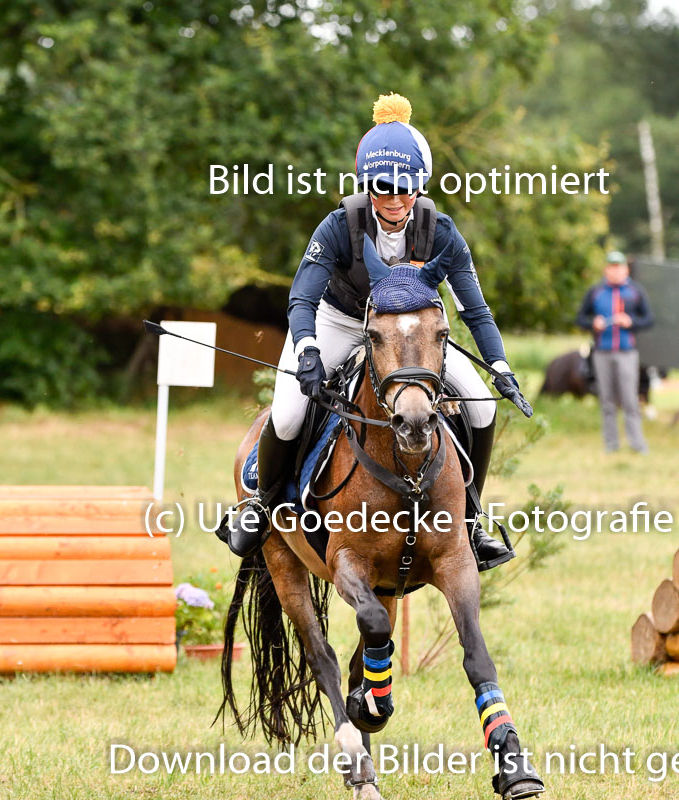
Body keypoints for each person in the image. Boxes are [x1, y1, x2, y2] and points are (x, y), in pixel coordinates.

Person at [227, 93, 532, 565]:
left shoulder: (441, 232)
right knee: (287, 416)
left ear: (420, 187)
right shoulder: (338, 226)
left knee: (481, 409)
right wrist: (307, 350)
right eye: (384, 187)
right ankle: (263, 507)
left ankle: (470, 522)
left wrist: (500, 366)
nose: (395, 198)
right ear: (368, 185)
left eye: (406, 188)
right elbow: (302, 297)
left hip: (409, 337)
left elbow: (475, 309)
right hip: (339, 321)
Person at [576, 251, 654, 452]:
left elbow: (649, 319)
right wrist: (593, 324)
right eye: (611, 266)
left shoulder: (636, 291)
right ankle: (611, 445)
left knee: (630, 400)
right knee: (607, 401)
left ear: (625, 269)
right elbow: (580, 319)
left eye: (619, 266)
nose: (615, 270)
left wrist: (631, 322)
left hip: (627, 352)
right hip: (602, 352)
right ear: (606, 269)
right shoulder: (596, 291)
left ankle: (637, 445)